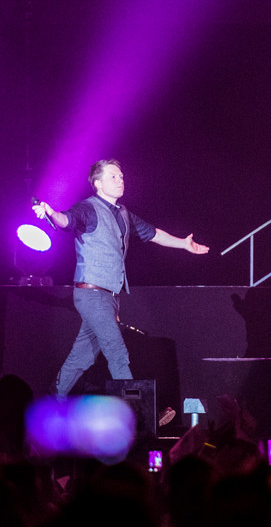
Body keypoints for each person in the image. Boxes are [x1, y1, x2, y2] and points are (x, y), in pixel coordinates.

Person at [32, 159, 209, 398]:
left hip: (109, 296)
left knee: (83, 355)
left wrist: (183, 244)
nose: (120, 180)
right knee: (117, 351)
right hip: (91, 293)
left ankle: (53, 397)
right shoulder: (87, 208)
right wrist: (51, 213)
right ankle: (136, 410)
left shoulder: (123, 213)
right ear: (98, 183)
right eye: (114, 176)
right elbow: (66, 220)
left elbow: (153, 233)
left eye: (122, 176)